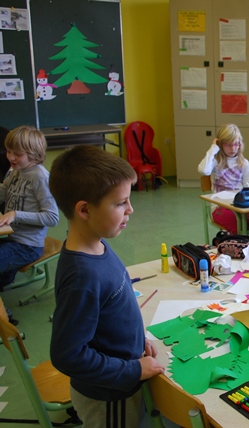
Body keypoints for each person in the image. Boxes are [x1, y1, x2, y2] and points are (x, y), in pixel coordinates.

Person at [49, 146, 165, 427]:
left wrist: (136, 342)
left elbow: (109, 311)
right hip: (109, 399)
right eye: (121, 203)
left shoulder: (96, 243)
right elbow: (68, 355)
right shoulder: (82, 277)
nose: (130, 209)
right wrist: (132, 370)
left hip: (123, 376)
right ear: (85, 210)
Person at [0, 126, 59, 326]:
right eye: (9, 151)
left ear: (34, 154)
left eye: (17, 154)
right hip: (12, 239)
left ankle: (3, 315)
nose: (11, 157)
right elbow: (3, 191)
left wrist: (16, 214)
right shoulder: (16, 170)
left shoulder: (40, 177)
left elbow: (52, 217)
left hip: (27, 246)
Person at [197, 124, 249, 234]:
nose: (233, 148)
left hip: (239, 204)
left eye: (236, 144)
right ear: (220, 144)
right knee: (236, 223)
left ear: (240, 144)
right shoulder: (215, 161)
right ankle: (237, 242)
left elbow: (247, 186)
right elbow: (204, 170)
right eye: (228, 145)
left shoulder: (244, 163)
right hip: (219, 207)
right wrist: (213, 149)